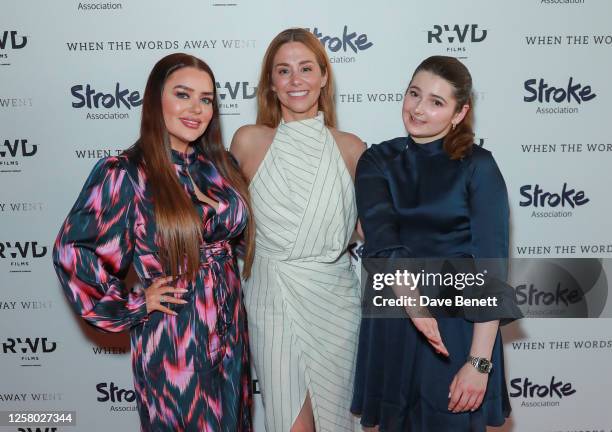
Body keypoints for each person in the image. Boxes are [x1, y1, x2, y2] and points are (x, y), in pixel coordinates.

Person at [53, 53, 254, 431]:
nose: (196, 108)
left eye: (206, 99)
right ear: (154, 100)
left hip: (231, 334)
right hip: (174, 342)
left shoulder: (221, 166)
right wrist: (133, 303)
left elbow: (242, 241)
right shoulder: (126, 173)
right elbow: (72, 252)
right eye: (183, 94)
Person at [351, 56, 512, 431]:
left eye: (436, 102)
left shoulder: (479, 166)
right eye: (414, 94)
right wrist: (415, 307)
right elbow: (381, 236)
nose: (418, 109)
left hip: (457, 327)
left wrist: (479, 362)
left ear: (460, 113)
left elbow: (492, 265)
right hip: (394, 315)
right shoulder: (377, 159)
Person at [230, 28, 365, 432]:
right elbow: (217, 225)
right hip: (272, 297)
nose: (296, 80)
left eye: (306, 68)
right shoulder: (248, 142)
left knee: (341, 422)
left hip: (335, 305)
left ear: (324, 76)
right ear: (271, 83)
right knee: (292, 424)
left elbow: (377, 234)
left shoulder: (352, 148)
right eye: (283, 71)